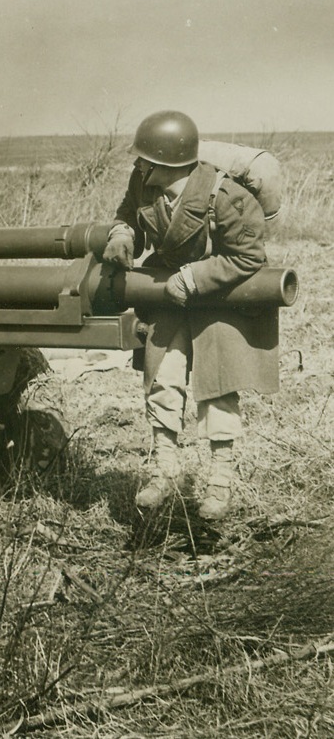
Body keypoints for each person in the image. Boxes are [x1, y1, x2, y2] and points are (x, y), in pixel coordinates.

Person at [102, 110, 277, 520]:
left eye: (144, 159)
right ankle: (165, 469)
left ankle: (220, 480)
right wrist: (122, 233)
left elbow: (249, 256)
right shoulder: (144, 183)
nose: (137, 165)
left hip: (219, 294)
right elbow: (129, 211)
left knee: (217, 387)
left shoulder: (226, 195)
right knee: (161, 376)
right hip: (169, 291)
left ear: (166, 163)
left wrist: (195, 278)